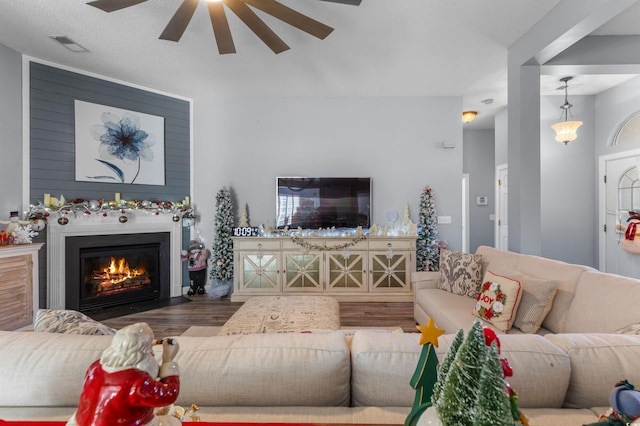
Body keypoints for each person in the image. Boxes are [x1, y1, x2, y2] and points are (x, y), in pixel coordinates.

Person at [67, 322, 180, 426]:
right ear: (144, 352)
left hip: (79, 423)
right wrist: (168, 360)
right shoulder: (138, 382)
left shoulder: (95, 368)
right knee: (173, 423)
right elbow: (169, 394)